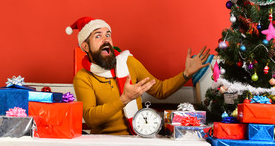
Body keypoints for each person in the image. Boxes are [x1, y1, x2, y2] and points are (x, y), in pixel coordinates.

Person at [66, 16, 210, 135]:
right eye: (98, 36)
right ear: (85, 47)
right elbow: (90, 119)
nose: (106, 40)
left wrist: (186, 74)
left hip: (137, 137)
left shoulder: (128, 62)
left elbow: (160, 90)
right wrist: (123, 99)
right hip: (104, 141)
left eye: (108, 35)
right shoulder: (83, 78)